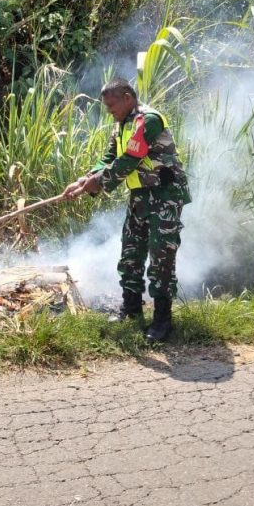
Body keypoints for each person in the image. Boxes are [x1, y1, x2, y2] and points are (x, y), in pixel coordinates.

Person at [63, 78, 191, 342]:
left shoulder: (148, 120)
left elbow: (130, 158)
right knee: (130, 254)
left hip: (164, 195)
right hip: (140, 195)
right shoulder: (122, 125)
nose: (109, 111)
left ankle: (162, 321)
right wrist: (84, 180)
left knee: (161, 257)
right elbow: (109, 158)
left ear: (127, 98)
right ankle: (131, 309)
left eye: (111, 105)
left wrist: (99, 183)